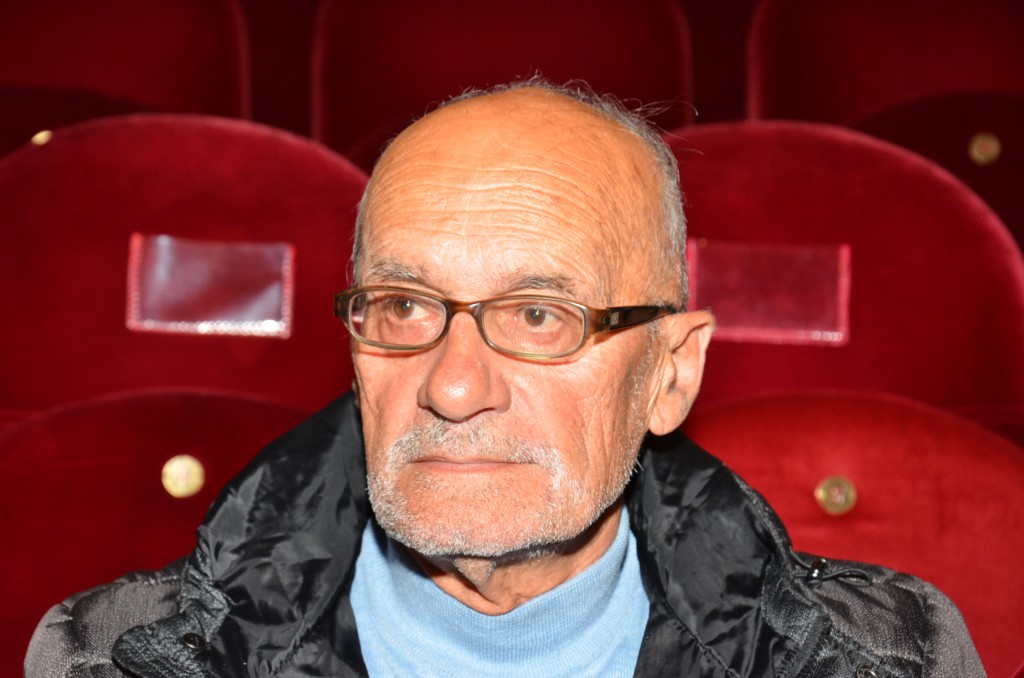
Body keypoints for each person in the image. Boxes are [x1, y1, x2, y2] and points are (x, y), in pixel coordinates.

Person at [26, 80, 984, 677]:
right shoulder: (112, 658)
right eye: (405, 305)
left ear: (670, 375)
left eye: (538, 316)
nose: (452, 387)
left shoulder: (887, 659)